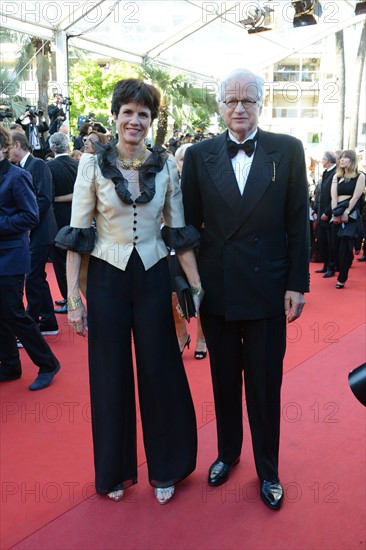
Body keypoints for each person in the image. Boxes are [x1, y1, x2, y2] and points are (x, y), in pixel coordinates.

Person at [55, 78, 201, 505]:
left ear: (151, 121)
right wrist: (74, 301)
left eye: (144, 114)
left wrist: (196, 286)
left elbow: (177, 231)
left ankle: (168, 467)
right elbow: (78, 234)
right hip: (107, 277)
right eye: (128, 112)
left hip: (155, 275)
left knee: (161, 372)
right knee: (110, 374)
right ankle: (115, 472)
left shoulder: (167, 164)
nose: (135, 121)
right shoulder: (90, 165)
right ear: (116, 116)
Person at [181, 68, 310, 511]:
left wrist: (297, 283)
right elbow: (188, 229)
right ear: (219, 106)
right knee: (222, 381)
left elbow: (297, 223)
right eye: (231, 100)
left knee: (263, 383)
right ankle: (227, 453)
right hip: (217, 289)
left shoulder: (288, 150)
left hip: (268, 288)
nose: (239, 108)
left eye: (248, 100)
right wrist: (191, 286)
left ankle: (268, 469)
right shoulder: (198, 155)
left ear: (261, 103)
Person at [0, 125, 61, 391]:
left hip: (11, 255)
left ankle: (48, 363)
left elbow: (30, 215)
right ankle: (11, 364)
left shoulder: (17, 176)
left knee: (14, 312)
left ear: (4, 147)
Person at [9, 131, 59, 335]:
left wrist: (26, 225)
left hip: (41, 232)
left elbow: (44, 199)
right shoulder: (18, 168)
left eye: (8, 146)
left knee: (32, 278)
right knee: (37, 278)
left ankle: (30, 326)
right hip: (33, 232)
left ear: (18, 145)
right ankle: (49, 321)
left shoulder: (38, 165)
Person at [171, 143, 207, 358]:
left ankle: (202, 338)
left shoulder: (206, 184)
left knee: (200, 293)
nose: (187, 162)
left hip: (202, 246)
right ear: (177, 163)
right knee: (173, 295)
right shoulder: (169, 184)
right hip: (174, 246)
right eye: (183, 159)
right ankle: (181, 334)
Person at [47, 132, 79, 312]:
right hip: (77, 218)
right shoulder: (78, 164)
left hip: (57, 220)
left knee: (61, 263)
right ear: (67, 146)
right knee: (73, 262)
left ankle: (70, 301)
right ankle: (70, 300)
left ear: (52, 148)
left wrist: (56, 199)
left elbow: (49, 195)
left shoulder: (49, 167)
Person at [330, 149, 365, 289]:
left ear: (352, 160)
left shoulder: (360, 176)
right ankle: (344, 265)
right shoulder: (337, 176)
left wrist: (347, 212)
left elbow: (356, 196)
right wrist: (334, 213)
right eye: (341, 158)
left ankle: (342, 278)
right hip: (337, 210)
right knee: (336, 246)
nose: (341, 160)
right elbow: (333, 196)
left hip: (351, 212)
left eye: (345, 158)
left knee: (346, 247)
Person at [314, 151, 337, 277]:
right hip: (321, 212)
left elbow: (334, 196)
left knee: (330, 242)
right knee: (322, 241)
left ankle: (331, 267)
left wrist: (327, 212)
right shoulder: (325, 172)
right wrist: (315, 209)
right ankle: (325, 264)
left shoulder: (335, 173)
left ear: (328, 160)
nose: (321, 161)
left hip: (328, 213)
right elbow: (321, 194)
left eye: (323, 158)